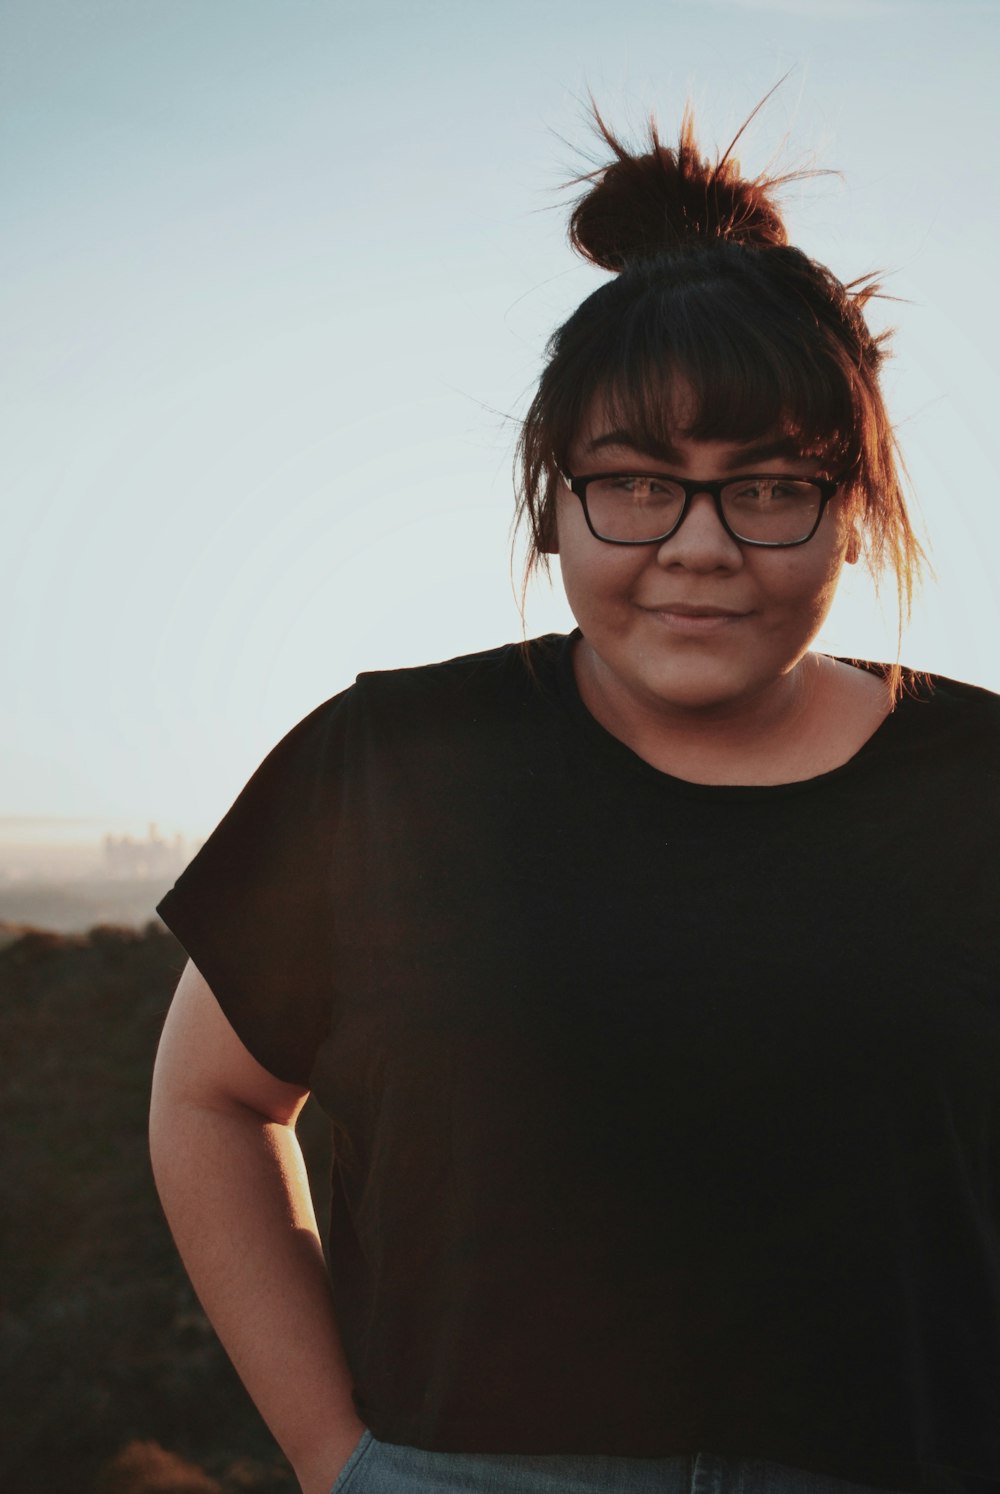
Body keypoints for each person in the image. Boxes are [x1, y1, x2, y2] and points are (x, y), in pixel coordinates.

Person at [149, 104, 1000, 1494]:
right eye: (635, 488)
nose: (702, 548)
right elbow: (211, 1102)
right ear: (553, 500)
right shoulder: (392, 760)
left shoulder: (979, 782)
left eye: (771, 486)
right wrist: (334, 1458)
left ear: (855, 505)